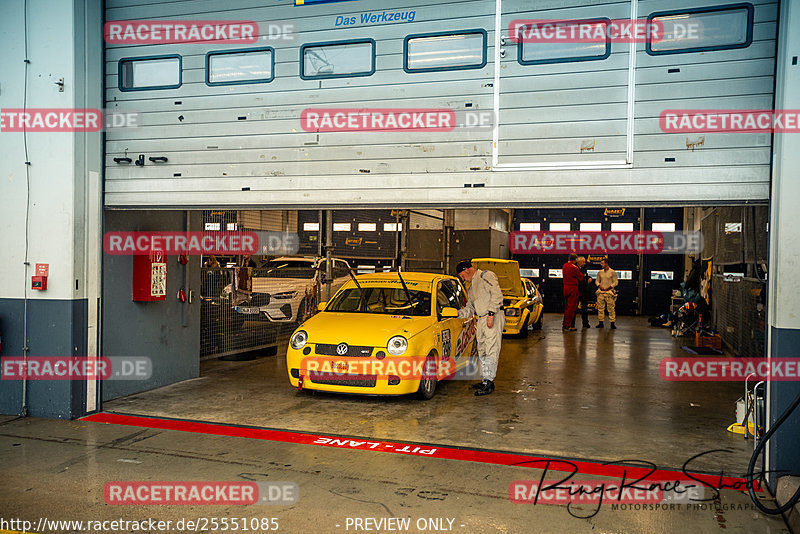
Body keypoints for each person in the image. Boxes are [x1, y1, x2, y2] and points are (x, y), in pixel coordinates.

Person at [456, 259, 504, 396]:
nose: (463, 279)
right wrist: (456, 314)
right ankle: (485, 380)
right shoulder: (471, 287)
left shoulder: (486, 276)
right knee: (482, 349)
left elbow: (497, 295)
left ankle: (489, 381)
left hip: (493, 316)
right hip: (481, 319)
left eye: (462, 276)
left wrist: (491, 313)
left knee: (491, 348)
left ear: (466, 270)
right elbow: (470, 308)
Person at [562, 253, 583, 331]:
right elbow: (580, 277)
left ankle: (565, 324)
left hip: (565, 288)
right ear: (576, 260)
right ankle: (568, 325)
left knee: (567, 307)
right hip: (572, 289)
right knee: (571, 308)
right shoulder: (574, 268)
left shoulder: (564, 266)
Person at [595, 258, 619, 329]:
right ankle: (601, 323)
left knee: (611, 308)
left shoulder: (612, 272)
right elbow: (596, 281)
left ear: (606, 264)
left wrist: (610, 287)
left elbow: (616, 282)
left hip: (609, 293)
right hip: (601, 293)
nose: (601, 264)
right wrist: (599, 285)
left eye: (602, 263)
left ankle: (612, 323)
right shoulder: (600, 272)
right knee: (600, 308)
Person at [572, 256, 593, 329]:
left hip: (583, 291)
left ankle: (585, 323)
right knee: (574, 308)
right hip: (576, 291)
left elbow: (585, 276)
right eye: (583, 262)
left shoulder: (584, 269)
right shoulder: (574, 268)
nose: (584, 263)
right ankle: (572, 324)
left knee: (584, 308)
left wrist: (589, 278)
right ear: (579, 262)